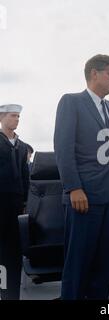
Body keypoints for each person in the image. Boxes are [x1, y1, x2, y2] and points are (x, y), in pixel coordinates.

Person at [54, 54, 109, 300]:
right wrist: (74, 188)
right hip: (84, 195)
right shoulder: (71, 102)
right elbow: (63, 147)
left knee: (104, 264)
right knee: (78, 262)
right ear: (94, 74)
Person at [0, 104, 29, 300]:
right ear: (2, 117)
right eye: (13, 116)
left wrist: (27, 201)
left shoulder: (22, 146)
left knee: (14, 255)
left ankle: (12, 296)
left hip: (16, 205)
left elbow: (25, 177)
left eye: (18, 116)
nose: (16, 119)